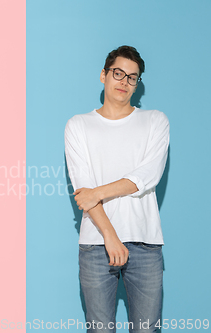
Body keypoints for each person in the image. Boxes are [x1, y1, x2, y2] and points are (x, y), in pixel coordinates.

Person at [65, 46, 169, 333]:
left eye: (132, 77)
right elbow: (82, 188)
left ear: (138, 84)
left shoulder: (155, 121)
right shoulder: (79, 125)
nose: (124, 81)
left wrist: (97, 192)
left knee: (147, 330)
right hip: (97, 243)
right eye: (118, 73)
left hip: (145, 242)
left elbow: (147, 176)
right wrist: (110, 236)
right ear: (104, 75)